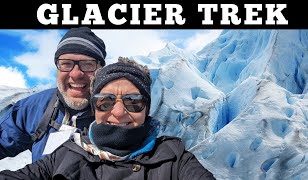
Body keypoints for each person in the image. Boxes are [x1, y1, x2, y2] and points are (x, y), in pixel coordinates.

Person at [0, 57, 216, 180]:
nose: (119, 112)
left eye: (134, 101)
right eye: (106, 102)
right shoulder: (66, 155)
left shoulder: (173, 159)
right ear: (95, 107)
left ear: (146, 109)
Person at [0, 27, 107, 162]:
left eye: (87, 64)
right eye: (66, 64)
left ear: (101, 70)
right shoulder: (33, 109)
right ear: (57, 68)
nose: (75, 74)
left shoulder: (120, 113)